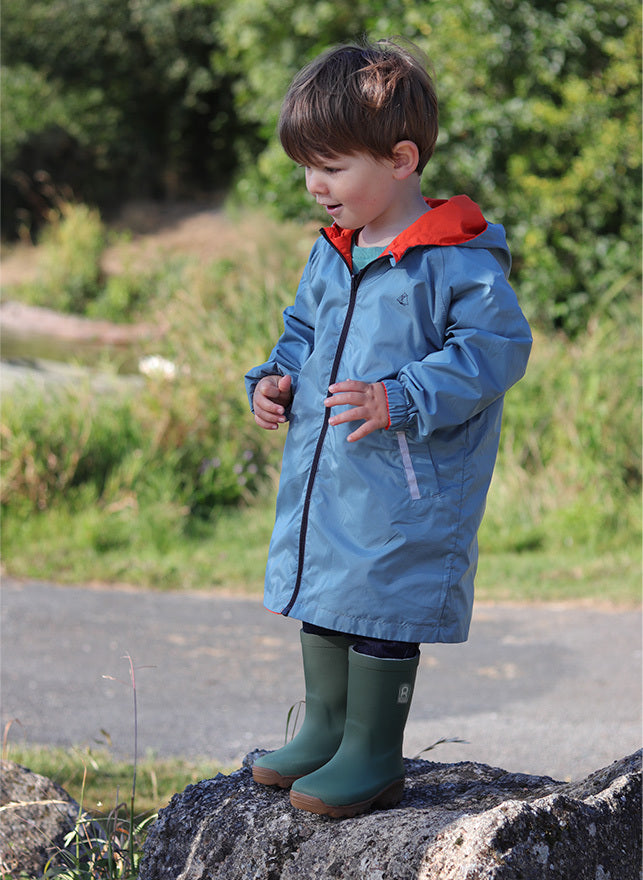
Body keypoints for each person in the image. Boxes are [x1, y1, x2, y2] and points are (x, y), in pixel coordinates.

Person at [244, 38, 532, 819]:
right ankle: (326, 731)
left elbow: (494, 351)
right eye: (307, 167)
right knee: (328, 590)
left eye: (331, 168)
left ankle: (372, 753)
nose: (314, 186)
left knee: (379, 602)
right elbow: (301, 334)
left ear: (400, 159)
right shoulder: (333, 252)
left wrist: (400, 396)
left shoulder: (455, 260)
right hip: (329, 475)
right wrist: (272, 379)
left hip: (406, 483)